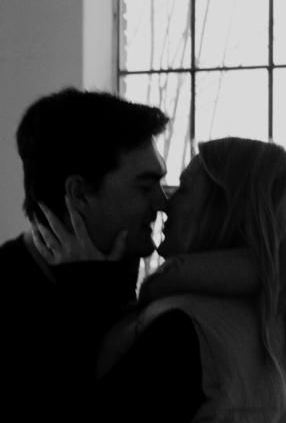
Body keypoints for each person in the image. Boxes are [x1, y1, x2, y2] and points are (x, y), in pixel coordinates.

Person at [37, 137, 286, 422]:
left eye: (184, 188)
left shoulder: (185, 331)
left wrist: (83, 292)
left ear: (225, 208)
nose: (164, 204)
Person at [0, 87, 169, 419]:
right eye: (145, 186)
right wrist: (88, 297)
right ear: (79, 193)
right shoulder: (9, 300)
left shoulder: (116, 277)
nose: (163, 203)